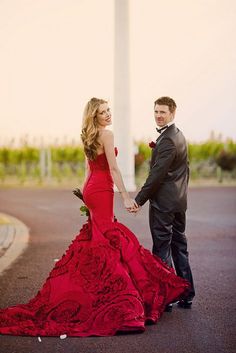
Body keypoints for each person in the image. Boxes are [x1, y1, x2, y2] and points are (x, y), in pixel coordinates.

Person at [0, 97, 190, 337]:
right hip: (101, 191)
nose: (109, 114)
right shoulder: (106, 135)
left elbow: (88, 169)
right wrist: (124, 196)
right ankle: (113, 299)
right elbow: (113, 168)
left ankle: (95, 289)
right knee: (107, 241)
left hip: (91, 190)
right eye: (103, 112)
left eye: (109, 110)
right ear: (95, 116)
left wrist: (84, 196)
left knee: (101, 238)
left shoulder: (87, 135)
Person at [134, 96, 195, 311]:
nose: (159, 116)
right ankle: (187, 293)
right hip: (179, 202)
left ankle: (165, 297)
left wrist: (139, 199)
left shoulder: (168, 139)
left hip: (164, 204)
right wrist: (181, 195)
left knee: (161, 249)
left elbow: (157, 175)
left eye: (163, 112)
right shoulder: (179, 135)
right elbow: (184, 171)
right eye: (156, 112)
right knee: (180, 246)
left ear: (172, 113)